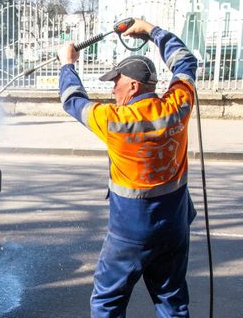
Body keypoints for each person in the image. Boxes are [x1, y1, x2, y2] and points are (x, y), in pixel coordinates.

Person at [57, 19, 198, 317]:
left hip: (130, 234)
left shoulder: (114, 121)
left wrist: (67, 64)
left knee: (107, 303)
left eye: (115, 82)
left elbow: (72, 100)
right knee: (172, 301)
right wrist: (152, 30)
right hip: (174, 226)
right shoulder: (178, 105)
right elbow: (184, 61)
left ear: (133, 85)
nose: (112, 90)